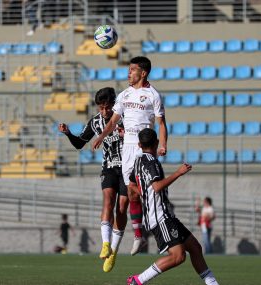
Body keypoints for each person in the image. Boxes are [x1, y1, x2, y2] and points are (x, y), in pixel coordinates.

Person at [93, 56, 168, 257]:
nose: (128, 74)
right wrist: (101, 136)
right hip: (127, 149)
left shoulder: (153, 95)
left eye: (132, 70)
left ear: (142, 73)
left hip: (144, 149)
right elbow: (112, 122)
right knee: (132, 192)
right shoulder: (124, 95)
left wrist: (162, 145)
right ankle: (138, 235)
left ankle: (151, 228)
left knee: (145, 192)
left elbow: (161, 124)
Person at [126, 128, 219, 285]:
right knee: (178, 256)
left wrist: (144, 194)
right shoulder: (151, 162)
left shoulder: (138, 160)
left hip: (165, 216)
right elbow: (156, 187)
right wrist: (178, 173)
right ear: (156, 143)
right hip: (160, 217)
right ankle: (138, 280)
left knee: (195, 248)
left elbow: (131, 184)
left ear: (139, 144)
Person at [58, 87, 128, 272]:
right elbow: (80, 143)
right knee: (108, 201)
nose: (104, 111)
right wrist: (68, 133)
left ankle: (114, 250)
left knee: (121, 209)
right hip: (109, 167)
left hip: (127, 167)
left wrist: (126, 134)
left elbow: (139, 137)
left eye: (107, 107)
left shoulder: (124, 117)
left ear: (114, 104)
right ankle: (106, 244)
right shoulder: (95, 122)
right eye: (101, 108)